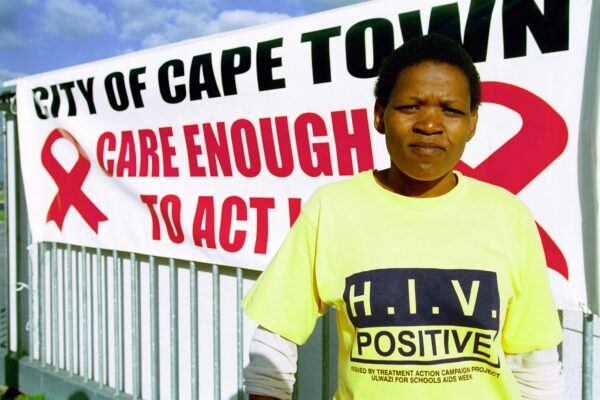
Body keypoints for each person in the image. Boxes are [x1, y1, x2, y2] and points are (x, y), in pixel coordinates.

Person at [242, 33, 563, 399]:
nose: (430, 124)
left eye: (451, 110)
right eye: (411, 107)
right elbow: (273, 345)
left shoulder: (509, 216)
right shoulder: (332, 208)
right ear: (380, 115)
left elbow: (535, 365)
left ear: (472, 123)